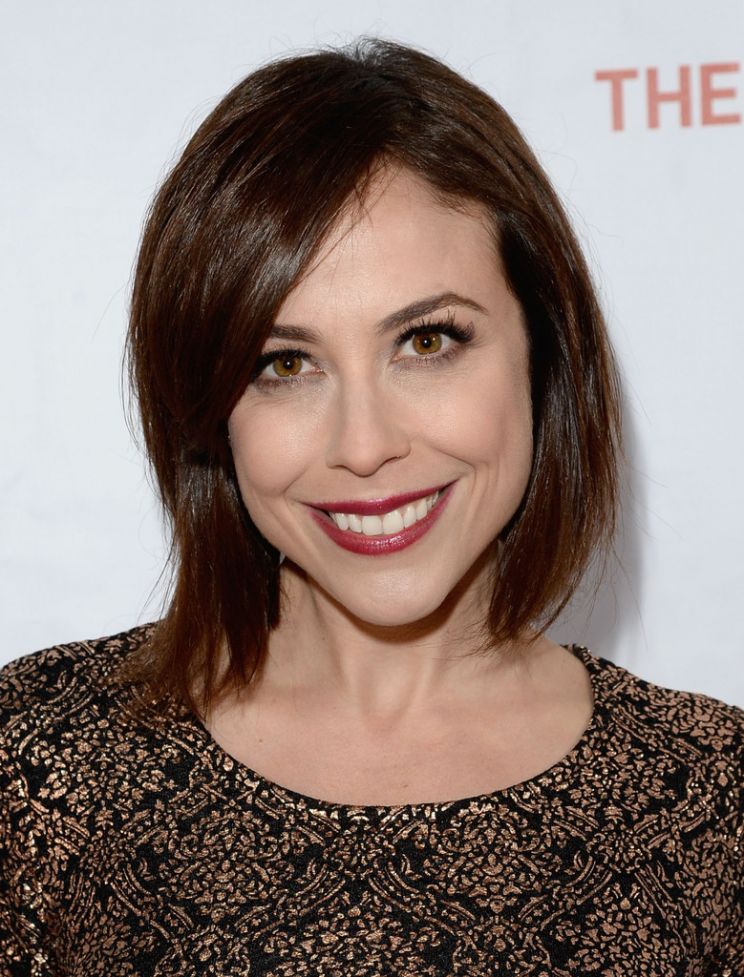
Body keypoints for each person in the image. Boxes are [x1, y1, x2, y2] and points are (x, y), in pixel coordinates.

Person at [1, 37, 741, 976]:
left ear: (544, 353)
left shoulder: (713, 800)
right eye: (285, 363)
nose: (363, 444)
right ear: (210, 409)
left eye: (427, 341)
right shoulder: (40, 762)